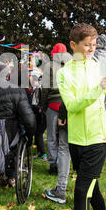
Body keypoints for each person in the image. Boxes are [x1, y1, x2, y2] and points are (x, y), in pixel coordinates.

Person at [56, 23, 106, 210]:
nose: (91, 49)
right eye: (87, 45)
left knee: (82, 191)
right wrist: (97, 90)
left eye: (94, 44)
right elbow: (72, 105)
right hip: (76, 140)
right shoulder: (63, 73)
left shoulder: (103, 69)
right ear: (73, 45)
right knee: (92, 190)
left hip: (98, 139)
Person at [41, 43, 72, 175]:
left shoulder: (50, 66)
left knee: (52, 137)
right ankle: (63, 165)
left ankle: (53, 164)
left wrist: (43, 105)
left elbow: (44, 89)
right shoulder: (72, 65)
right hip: (68, 104)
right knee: (65, 139)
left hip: (53, 104)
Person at [44, 102, 70, 204]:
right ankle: (87, 191)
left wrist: (62, 114)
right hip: (92, 119)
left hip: (69, 113)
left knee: (64, 148)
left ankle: (61, 189)